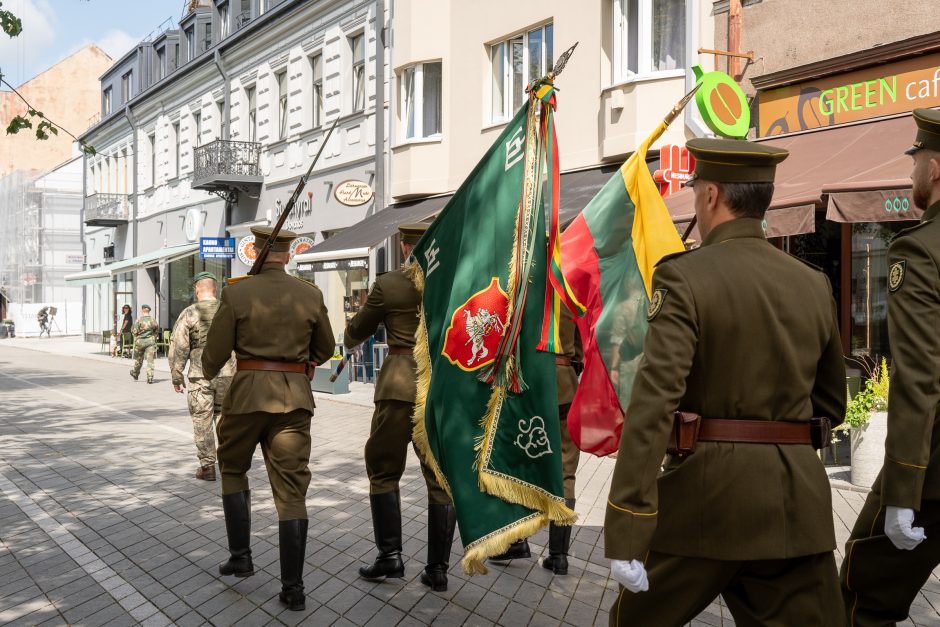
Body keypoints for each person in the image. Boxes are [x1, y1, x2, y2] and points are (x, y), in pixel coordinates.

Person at [604, 138, 846, 626]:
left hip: (704, 506)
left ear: (711, 196)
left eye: (695, 189)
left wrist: (628, 524)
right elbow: (831, 405)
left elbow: (653, 407)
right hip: (794, 507)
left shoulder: (683, 278)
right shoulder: (814, 283)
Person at [840, 108, 940, 626]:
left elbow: (920, 379)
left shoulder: (920, 251)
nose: (911, 173)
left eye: (917, 159)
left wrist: (903, 492)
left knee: (861, 596)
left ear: (937, 169)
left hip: (933, 475)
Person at [202, 226, 335, 612]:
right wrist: (302, 363)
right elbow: (326, 347)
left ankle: (241, 557)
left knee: (232, 469)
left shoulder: (237, 291)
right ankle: (293, 589)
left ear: (257, 253)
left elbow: (214, 353)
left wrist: (206, 376)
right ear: (288, 255)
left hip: (245, 398)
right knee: (291, 491)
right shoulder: (310, 294)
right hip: (293, 399)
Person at [345, 223, 456, 592]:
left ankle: (390, 557)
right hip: (439, 386)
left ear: (405, 244)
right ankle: (438, 568)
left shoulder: (390, 284)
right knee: (440, 477)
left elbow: (356, 331)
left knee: (382, 469)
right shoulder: (456, 280)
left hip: (397, 384)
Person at [169, 271, 235, 482]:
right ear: (215, 289)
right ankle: (229, 464)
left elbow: (179, 347)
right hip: (229, 373)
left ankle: (208, 467)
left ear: (197, 289)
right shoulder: (229, 310)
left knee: (202, 420)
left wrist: (177, 376)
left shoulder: (189, 313)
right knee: (226, 418)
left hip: (201, 374)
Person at [129, 304, 158, 384]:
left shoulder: (138, 320)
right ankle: (150, 377)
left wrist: (137, 336)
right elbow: (156, 331)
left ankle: (135, 373)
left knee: (139, 359)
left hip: (140, 342)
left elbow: (134, 331)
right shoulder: (153, 320)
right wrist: (153, 337)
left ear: (142, 311)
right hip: (150, 342)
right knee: (150, 360)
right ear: (149, 311)